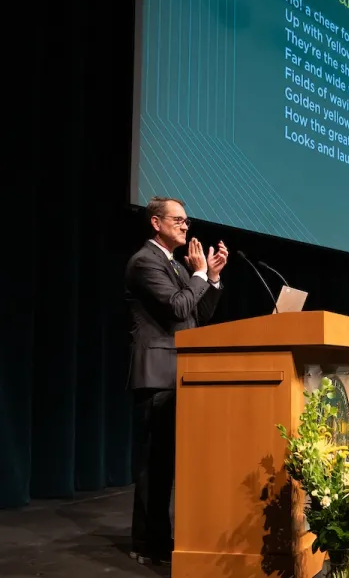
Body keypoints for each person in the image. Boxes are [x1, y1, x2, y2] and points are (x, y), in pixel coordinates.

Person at [125, 197, 228, 565]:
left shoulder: (174, 264)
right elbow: (178, 307)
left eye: (187, 221)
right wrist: (199, 275)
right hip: (158, 372)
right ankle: (146, 541)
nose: (186, 226)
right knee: (155, 462)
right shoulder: (144, 262)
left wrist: (211, 278)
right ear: (156, 223)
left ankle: (161, 537)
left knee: (170, 460)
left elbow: (199, 314)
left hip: (181, 371)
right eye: (178, 220)